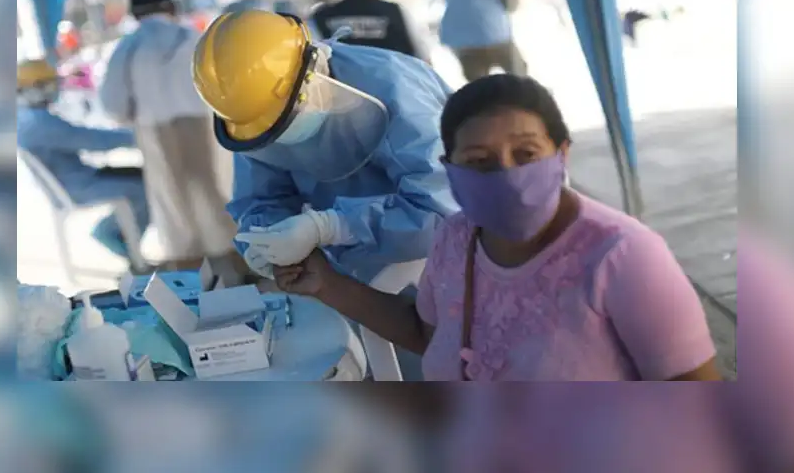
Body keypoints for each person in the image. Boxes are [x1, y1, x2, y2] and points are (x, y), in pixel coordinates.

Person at [275, 74, 721, 381]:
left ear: (562, 154)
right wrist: (327, 284)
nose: (506, 173)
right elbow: (430, 334)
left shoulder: (624, 256)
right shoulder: (456, 238)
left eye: (526, 154)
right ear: (450, 169)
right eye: (479, 161)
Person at [191, 9, 458, 287]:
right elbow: (259, 199)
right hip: (342, 269)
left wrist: (335, 227)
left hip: (431, 256)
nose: (283, 138)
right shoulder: (251, 118)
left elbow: (442, 209)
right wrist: (265, 242)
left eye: (289, 116)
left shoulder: (397, 88)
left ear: (315, 65)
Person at [97, 0, 241, 277]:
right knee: (215, 190)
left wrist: (130, 115)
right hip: (203, 122)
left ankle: (190, 271)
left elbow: (113, 104)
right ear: (170, 7)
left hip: (155, 128)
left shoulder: (129, 46)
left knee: (172, 201)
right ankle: (236, 264)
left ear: (134, 13)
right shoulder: (193, 37)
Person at [16, 59, 149, 265]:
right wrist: (139, 137)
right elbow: (93, 141)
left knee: (141, 176)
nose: (54, 90)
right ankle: (111, 232)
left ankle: (118, 235)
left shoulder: (26, 117)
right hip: (79, 187)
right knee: (145, 187)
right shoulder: (39, 122)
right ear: (31, 89)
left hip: (75, 180)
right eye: (47, 85)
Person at [309, 0, 433, 65]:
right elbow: (424, 60)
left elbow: (310, 62)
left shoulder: (320, 17)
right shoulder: (397, 12)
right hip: (393, 90)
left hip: (338, 91)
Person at [429, 0, 527, 82]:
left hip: (463, 37)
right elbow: (511, 0)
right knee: (520, 77)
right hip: (494, 33)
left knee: (480, 85)